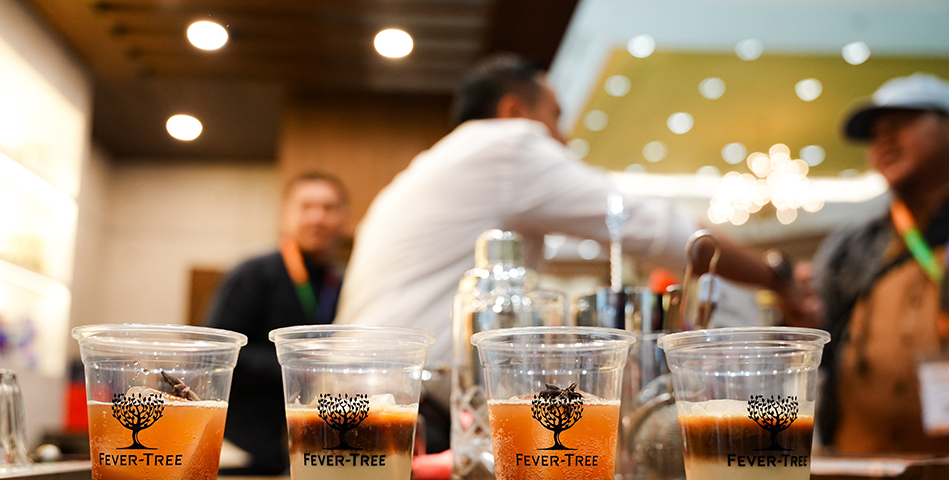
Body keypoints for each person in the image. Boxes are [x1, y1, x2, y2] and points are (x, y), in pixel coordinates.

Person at [335, 53, 815, 450]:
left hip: (362, 395)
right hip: (419, 412)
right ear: (513, 110)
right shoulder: (509, 146)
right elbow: (672, 236)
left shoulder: (437, 163)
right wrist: (780, 277)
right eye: (555, 116)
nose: (562, 137)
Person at [812, 73, 949, 454]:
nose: (884, 141)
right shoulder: (849, 245)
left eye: (901, 124)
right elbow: (824, 337)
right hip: (856, 465)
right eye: (876, 134)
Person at [206, 172, 349, 474]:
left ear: (344, 218)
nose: (317, 218)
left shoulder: (343, 281)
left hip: (317, 440)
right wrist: (300, 367)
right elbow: (218, 351)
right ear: (285, 215)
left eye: (328, 208)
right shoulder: (253, 273)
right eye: (306, 206)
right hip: (248, 444)